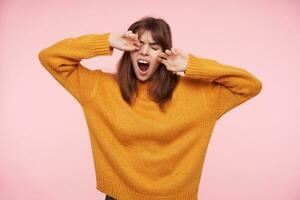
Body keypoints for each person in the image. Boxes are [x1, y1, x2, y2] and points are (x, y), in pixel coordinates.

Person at [38, 16, 262, 200]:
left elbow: (250, 86)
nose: (145, 52)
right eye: (138, 45)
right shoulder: (99, 88)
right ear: (128, 50)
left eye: (154, 47)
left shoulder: (199, 95)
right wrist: (106, 41)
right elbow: (51, 58)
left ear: (164, 55)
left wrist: (192, 65)